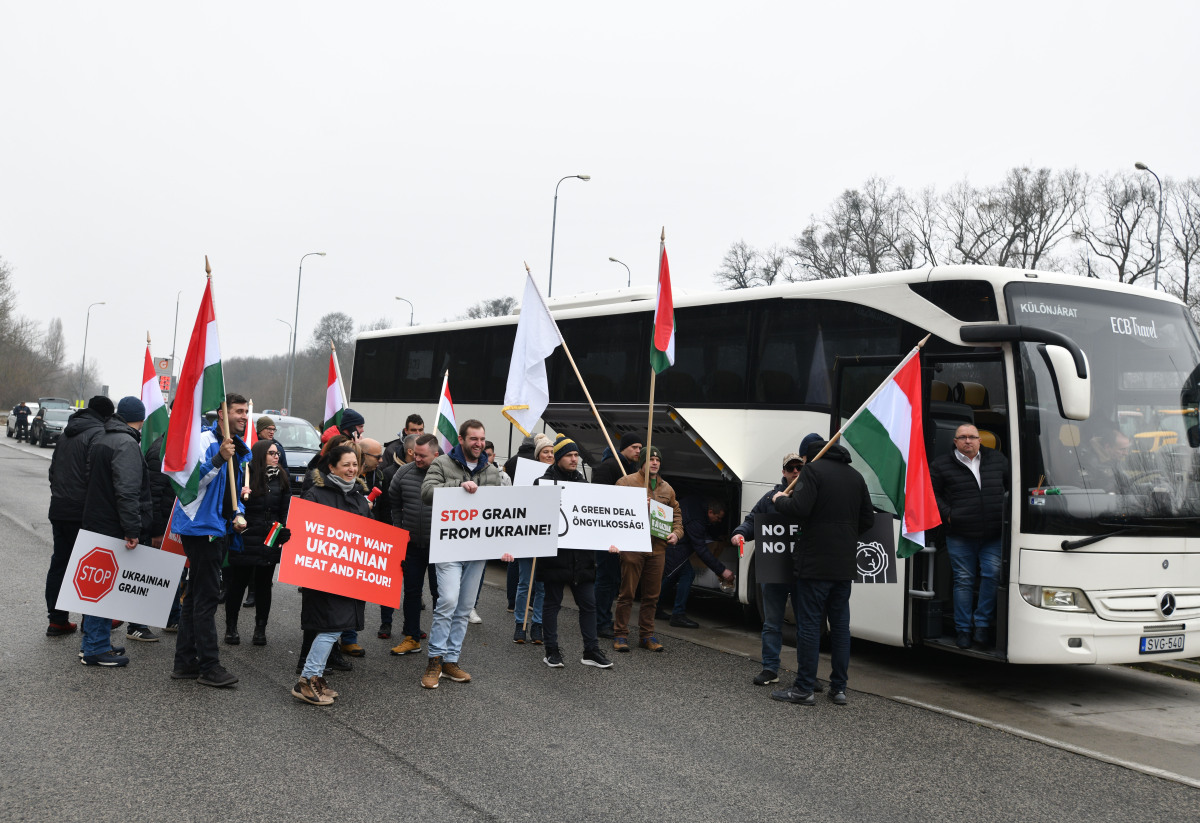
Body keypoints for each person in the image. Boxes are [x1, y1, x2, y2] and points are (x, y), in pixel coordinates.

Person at [770, 437, 874, 706]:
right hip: (844, 565)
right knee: (840, 627)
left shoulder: (812, 471)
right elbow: (868, 519)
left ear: (807, 456)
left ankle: (803, 688)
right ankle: (838, 688)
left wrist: (779, 500)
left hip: (814, 563)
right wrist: (845, 536)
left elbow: (799, 508)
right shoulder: (855, 476)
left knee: (809, 625)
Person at [169, 393, 251, 688]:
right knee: (206, 598)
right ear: (222, 413)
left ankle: (185, 662)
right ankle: (209, 666)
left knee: (195, 597)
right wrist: (218, 459)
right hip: (200, 528)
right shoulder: (204, 441)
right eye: (238, 411)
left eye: (246, 411)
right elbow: (189, 484)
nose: (244, 416)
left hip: (218, 527)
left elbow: (233, 489)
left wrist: (238, 513)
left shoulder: (236, 446)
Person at [418, 419, 503, 689]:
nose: (479, 444)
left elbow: (502, 508)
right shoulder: (442, 463)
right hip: (449, 546)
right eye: (473, 439)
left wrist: (507, 546)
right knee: (448, 601)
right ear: (462, 439)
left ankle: (451, 660)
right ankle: (435, 659)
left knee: (465, 607)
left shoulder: (491, 470)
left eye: (482, 439)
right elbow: (427, 493)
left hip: (477, 549)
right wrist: (459, 487)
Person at [77, 397, 155, 667]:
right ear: (141, 419)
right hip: (113, 525)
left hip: (96, 520)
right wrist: (132, 529)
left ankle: (93, 643)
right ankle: (95, 648)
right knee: (104, 589)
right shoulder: (126, 444)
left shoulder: (103, 438)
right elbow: (127, 491)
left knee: (97, 586)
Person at [731, 445, 814, 687]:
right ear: (784, 472)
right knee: (772, 622)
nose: (796, 471)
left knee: (806, 625)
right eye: (791, 468)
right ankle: (770, 668)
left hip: (802, 570)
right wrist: (740, 533)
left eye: (800, 467)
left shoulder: (811, 496)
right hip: (774, 568)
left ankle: (806, 674)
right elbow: (752, 521)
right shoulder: (769, 498)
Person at [293, 444, 370, 705]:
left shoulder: (359, 496)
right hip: (324, 576)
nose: (351, 469)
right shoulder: (316, 494)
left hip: (349, 575)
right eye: (346, 464)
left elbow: (369, 534)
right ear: (332, 467)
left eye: (354, 464)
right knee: (330, 628)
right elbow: (304, 532)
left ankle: (316, 677)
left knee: (333, 628)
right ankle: (306, 680)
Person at [533, 434, 615, 669]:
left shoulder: (584, 486)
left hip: (582, 559)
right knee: (552, 603)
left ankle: (591, 650)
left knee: (589, 605)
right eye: (569, 455)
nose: (574, 459)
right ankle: (551, 651)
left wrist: (611, 539)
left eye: (576, 454)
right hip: (555, 557)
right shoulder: (543, 483)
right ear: (558, 457)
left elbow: (596, 518)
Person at [930, 422, 1010, 650]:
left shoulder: (997, 460)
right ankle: (963, 630)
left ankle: (982, 625)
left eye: (972, 437)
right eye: (963, 437)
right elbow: (931, 493)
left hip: (993, 533)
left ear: (980, 440)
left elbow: (1011, 487)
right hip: (960, 533)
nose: (968, 441)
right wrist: (949, 515)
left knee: (992, 575)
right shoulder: (941, 465)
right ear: (955, 441)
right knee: (963, 581)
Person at [45, 395, 113, 638]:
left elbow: (53, 471)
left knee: (60, 563)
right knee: (89, 567)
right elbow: (94, 476)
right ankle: (89, 622)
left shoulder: (67, 433)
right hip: (84, 511)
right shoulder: (98, 434)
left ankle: (57, 620)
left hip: (59, 508)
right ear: (106, 416)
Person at [613, 446, 682, 653]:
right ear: (642, 462)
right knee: (627, 593)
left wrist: (676, 533)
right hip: (632, 547)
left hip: (657, 548)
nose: (654, 462)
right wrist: (634, 505)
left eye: (657, 460)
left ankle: (646, 635)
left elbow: (676, 514)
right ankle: (620, 634)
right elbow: (613, 509)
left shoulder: (667, 489)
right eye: (650, 459)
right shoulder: (626, 482)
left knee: (652, 596)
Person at [225, 440, 292, 646]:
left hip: (269, 538)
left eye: (277, 453)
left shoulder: (282, 477)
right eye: (271, 453)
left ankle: (260, 629)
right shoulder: (245, 474)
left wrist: (283, 529)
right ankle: (231, 628)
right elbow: (232, 505)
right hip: (246, 537)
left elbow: (285, 509)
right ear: (261, 454)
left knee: (264, 586)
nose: (276, 456)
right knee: (238, 584)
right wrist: (240, 496)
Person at [388, 433, 441, 657]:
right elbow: (394, 503)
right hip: (412, 546)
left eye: (422, 456)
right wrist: (400, 531)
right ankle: (411, 637)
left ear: (436, 455)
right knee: (411, 592)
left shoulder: (447, 474)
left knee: (441, 595)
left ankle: (441, 641)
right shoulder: (403, 473)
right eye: (415, 454)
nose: (417, 459)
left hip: (440, 547)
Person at [591, 432, 643, 638]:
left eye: (640, 448)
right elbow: (600, 499)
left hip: (620, 533)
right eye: (634, 447)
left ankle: (605, 618)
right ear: (623, 449)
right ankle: (600, 622)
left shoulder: (632, 469)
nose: (638, 451)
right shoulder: (609, 467)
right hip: (607, 534)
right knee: (606, 578)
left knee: (613, 579)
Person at [659, 497, 733, 628]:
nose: (719, 521)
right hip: (675, 546)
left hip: (672, 543)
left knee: (672, 576)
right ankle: (677, 615)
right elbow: (701, 549)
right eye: (718, 518)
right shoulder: (697, 520)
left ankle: (654, 607)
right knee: (687, 574)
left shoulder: (698, 506)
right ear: (710, 512)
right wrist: (722, 570)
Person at [513, 433, 554, 643]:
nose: (549, 455)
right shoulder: (527, 474)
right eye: (545, 452)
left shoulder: (558, 476)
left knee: (542, 586)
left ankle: (537, 624)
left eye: (552, 452)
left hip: (547, 537)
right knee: (524, 583)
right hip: (527, 535)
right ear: (538, 455)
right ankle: (520, 624)